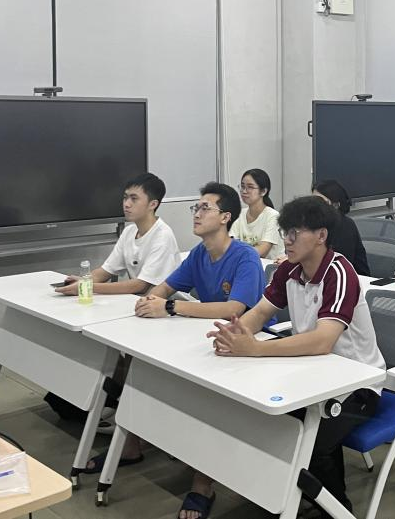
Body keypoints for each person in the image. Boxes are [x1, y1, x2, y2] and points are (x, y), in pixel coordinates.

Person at [85, 182, 266, 519]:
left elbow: (235, 309)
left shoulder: (245, 257)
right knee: (139, 365)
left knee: (206, 398)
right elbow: (165, 288)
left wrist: (170, 307)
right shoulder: (199, 253)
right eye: (195, 207)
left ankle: (203, 484)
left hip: (244, 347)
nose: (196, 214)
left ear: (225, 217)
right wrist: (151, 300)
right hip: (205, 338)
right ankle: (133, 444)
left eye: (205, 208)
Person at [206, 196, 385, 515]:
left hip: (357, 385)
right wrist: (236, 334)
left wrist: (256, 349)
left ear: (321, 236)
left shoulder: (340, 273)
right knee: (268, 424)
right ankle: (285, 498)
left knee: (312, 443)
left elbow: (323, 341)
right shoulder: (289, 269)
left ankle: (337, 510)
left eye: (294, 233)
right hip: (311, 375)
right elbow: (260, 312)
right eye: (284, 232)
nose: (286, 240)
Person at [56, 172, 180, 296]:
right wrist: (83, 281)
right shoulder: (129, 232)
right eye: (125, 198)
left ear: (153, 204)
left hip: (164, 303)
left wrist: (87, 287)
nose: (126, 204)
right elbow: (105, 271)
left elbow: (140, 285)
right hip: (138, 300)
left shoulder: (163, 236)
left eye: (134, 199)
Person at [311, 178, 370, 276]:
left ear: (335, 205)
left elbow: (339, 263)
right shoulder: (316, 223)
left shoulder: (345, 225)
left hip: (353, 279)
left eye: (320, 201)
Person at [230, 168, 285, 259]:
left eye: (250, 187)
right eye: (242, 186)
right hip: (245, 263)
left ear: (263, 191)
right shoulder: (239, 214)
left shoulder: (273, 216)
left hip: (269, 266)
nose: (244, 191)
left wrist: (237, 253)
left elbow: (262, 251)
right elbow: (231, 245)